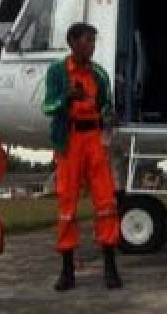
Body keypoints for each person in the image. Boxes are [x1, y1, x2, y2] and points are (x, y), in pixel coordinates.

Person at [43, 22, 122, 291]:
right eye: (86, 40)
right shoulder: (56, 72)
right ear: (72, 42)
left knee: (106, 201)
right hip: (70, 140)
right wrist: (67, 99)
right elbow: (47, 106)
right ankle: (67, 271)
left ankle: (110, 267)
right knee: (67, 203)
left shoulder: (99, 74)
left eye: (93, 41)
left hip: (95, 140)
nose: (91, 46)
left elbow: (107, 104)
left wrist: (111, 115)